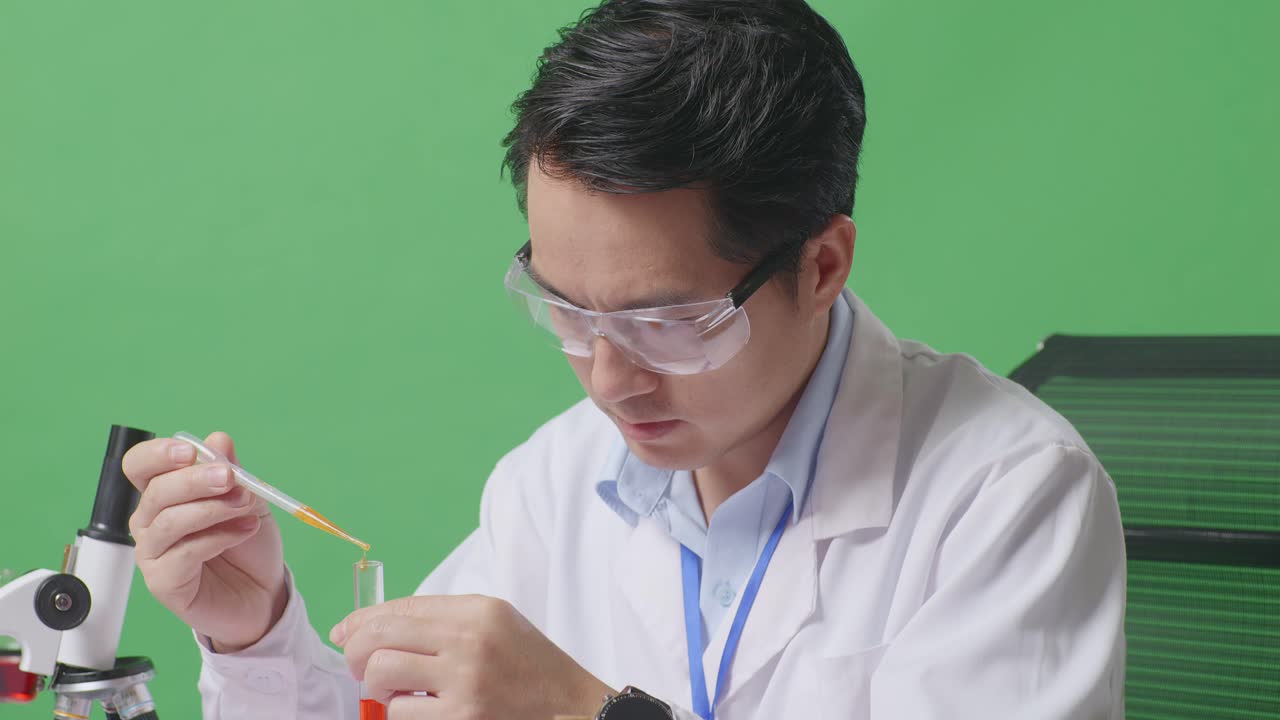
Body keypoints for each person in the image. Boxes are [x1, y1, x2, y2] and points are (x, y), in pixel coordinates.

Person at [121, 1, 1126, 717]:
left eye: (667, 321)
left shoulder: (1004, 493)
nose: (608, 380)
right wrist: (255, 635)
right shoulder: (558, 477)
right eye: (564, 308)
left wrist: (585, 713)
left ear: (820, 265)